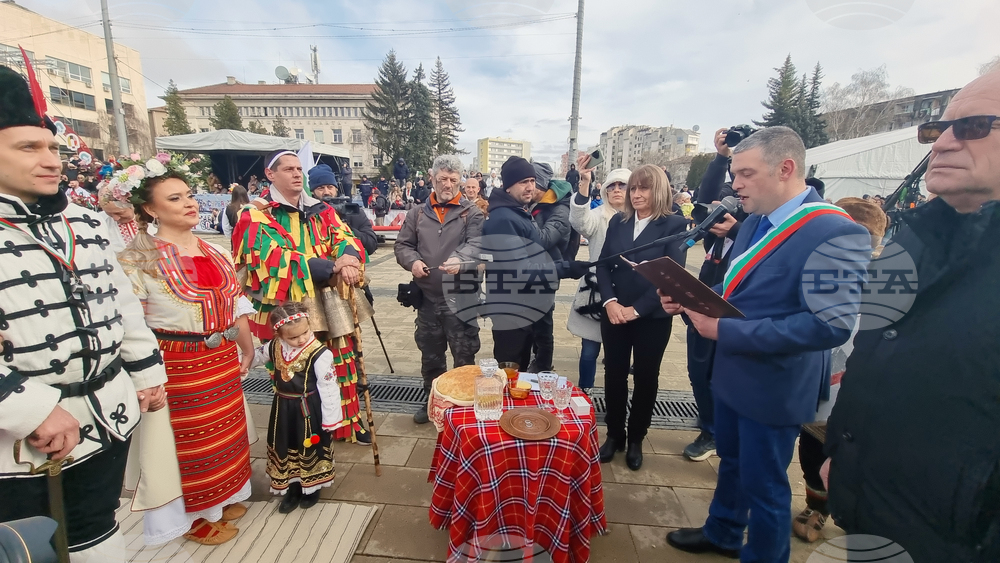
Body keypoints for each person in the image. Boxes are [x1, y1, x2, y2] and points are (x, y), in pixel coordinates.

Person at [662, 127, 869, 561]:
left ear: (786, 169)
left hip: (775, 384)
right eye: (734, 173)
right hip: (735, 374)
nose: (733, 184)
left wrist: (728, 332)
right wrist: (686, 297)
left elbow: (829, 325)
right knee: (734, 467)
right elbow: (739, 287)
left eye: (744, 173)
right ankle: (722, 533)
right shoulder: (756, 221)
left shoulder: (835, 231)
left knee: (767, 489)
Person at [825, 70, 1000, 563]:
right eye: (936, 129)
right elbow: (871, 354)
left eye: (972, 127)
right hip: (871, 516)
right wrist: (841, 450)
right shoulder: (913, 242)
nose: (941, 142)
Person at [0, 64, 168, 562]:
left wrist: (144, 372)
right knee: (28, 544)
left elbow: (122, 305)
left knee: (96, 527)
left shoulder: (88, 224)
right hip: (21, 434)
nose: (51, 160)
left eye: (52, 147)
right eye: (29, 148)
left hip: (104, 412)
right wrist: (28, 409)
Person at [117, 160, 254, 546]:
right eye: (174, 198)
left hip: (221, 358)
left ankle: (221, 499)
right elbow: (131, 325)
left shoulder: (214, 250)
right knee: (185, 442)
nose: (189, 203)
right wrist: (142, 376)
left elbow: (236, 303)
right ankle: (192, 516)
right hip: (177, 364)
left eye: (190, 195)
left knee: (224, 434)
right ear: (150, 209)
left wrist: (246, 345)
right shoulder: (138, 257)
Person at [232, 150, 371, 445]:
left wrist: (346, 258)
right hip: (287, 306)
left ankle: (347, 422)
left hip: (328, 299)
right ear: (270, 174)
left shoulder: (320, 209)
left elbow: (345, 237)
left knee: (340, 361)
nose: (297, 174)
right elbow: (273, 259)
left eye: (299, 169)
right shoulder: (254, 213)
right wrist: (331, 266)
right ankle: (308, 428)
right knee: (295, 368)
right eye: (288, 169)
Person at [790, 196, 887, 544]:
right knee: (815, 441)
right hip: (820, 376)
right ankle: (817, 505)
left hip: (869, 382)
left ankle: (857, 508)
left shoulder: (890, 277)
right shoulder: (816, 265)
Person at [596, 165, 687, 471]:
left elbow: (670, 276)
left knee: (646, 377)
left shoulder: (674, 224)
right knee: (614, 374)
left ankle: (637, 437)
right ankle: (615, 434)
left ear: (658, 190)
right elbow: (604, 265)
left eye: (643, 188)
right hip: (615, 312)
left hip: (652, 317)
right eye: (633, 188)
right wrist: (609, 302)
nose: (636, 194)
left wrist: (636, 310)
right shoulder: (619, 223)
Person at [394, 155, 484, 424]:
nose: (448, 184)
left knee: (464, 355)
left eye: (454, 180)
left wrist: (460, 260)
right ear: (432, 178)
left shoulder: (472, 213)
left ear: (461, 181)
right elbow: (402, 246)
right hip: (428, 299)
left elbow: (477, 245)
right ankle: (433, 401)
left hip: (461, 298)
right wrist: (414, 262)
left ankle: (463, 407)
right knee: (430, 355)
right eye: (443, 179)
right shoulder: (417, 213)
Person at [680, 127, 749, 463]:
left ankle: (721, 433)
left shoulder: (758, 235)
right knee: (698, 372)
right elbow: (704, 199)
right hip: (702, 311)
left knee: (724, 379)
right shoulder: (715, 233)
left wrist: (737, 230)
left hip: (736, 320)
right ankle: (708, 426)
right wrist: (720, 157)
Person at [260, 303, 343, 513]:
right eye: (293, 337)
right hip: (283, 409)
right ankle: (293, 487)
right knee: (286, 445)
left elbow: (329, 386)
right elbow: (252, 356)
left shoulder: (319, 353)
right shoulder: (274, 347)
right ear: (279, 335)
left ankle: (312, 487)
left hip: (309, 410)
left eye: (305, 332)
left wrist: (331, 418)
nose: (302, 339)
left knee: (309, 446)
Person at [567, 160, 629, 392]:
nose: (616, 190)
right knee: (589, 350)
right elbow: (579, 221)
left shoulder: (640, 218)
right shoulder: (598, 215)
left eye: (622, 185)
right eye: (611, 186)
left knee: (619, 352)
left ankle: (616, 393)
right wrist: (585, 183)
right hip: (596, 291)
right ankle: (585, 390)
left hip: (627, 293)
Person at [482, 156, 545, 369]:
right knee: (509, 372)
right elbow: (519, 269)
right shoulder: (504, 218)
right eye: (523, 182)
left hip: (524, 306)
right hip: (510, 310)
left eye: (532, 181)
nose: (530, 187)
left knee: (520, 370)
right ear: (508, 186)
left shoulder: (517, 212)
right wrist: (564, 268)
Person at [526, 162, 574, 372]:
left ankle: (543, 366)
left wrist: (522, 215)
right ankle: (533, 361)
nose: (526, 188)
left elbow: (543, 240)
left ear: (540, 185)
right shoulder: (535, 205)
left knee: (543, 324)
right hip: (529, 271)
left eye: (530, 182)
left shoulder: (560, 209)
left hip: (547, 272)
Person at [308, 164, 378, 256]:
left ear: (336, 188)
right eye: (320, 188)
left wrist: (346, 229)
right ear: (313, 191)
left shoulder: (351, 211)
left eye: (330, 187)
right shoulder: (307, 214)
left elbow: (371, 245)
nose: (326, 192)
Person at [97, 182, 141, 253]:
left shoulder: (153, 216)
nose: (115, 218)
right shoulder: (99, 222)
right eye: (109, 214)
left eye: (119, 213)